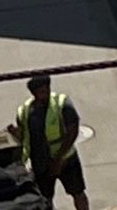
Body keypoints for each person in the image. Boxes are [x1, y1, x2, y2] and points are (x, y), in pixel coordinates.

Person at [20, 74, 91, 210]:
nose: (45, 94)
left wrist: (58, 159)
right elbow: (25, 135)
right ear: (33, 93)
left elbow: (72, 132)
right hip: (41, 162)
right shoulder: (25, 110)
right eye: (41, 91)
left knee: (78, 192)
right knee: (44, 199)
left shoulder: (62, 104)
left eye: (47, 89)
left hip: (66, 160)